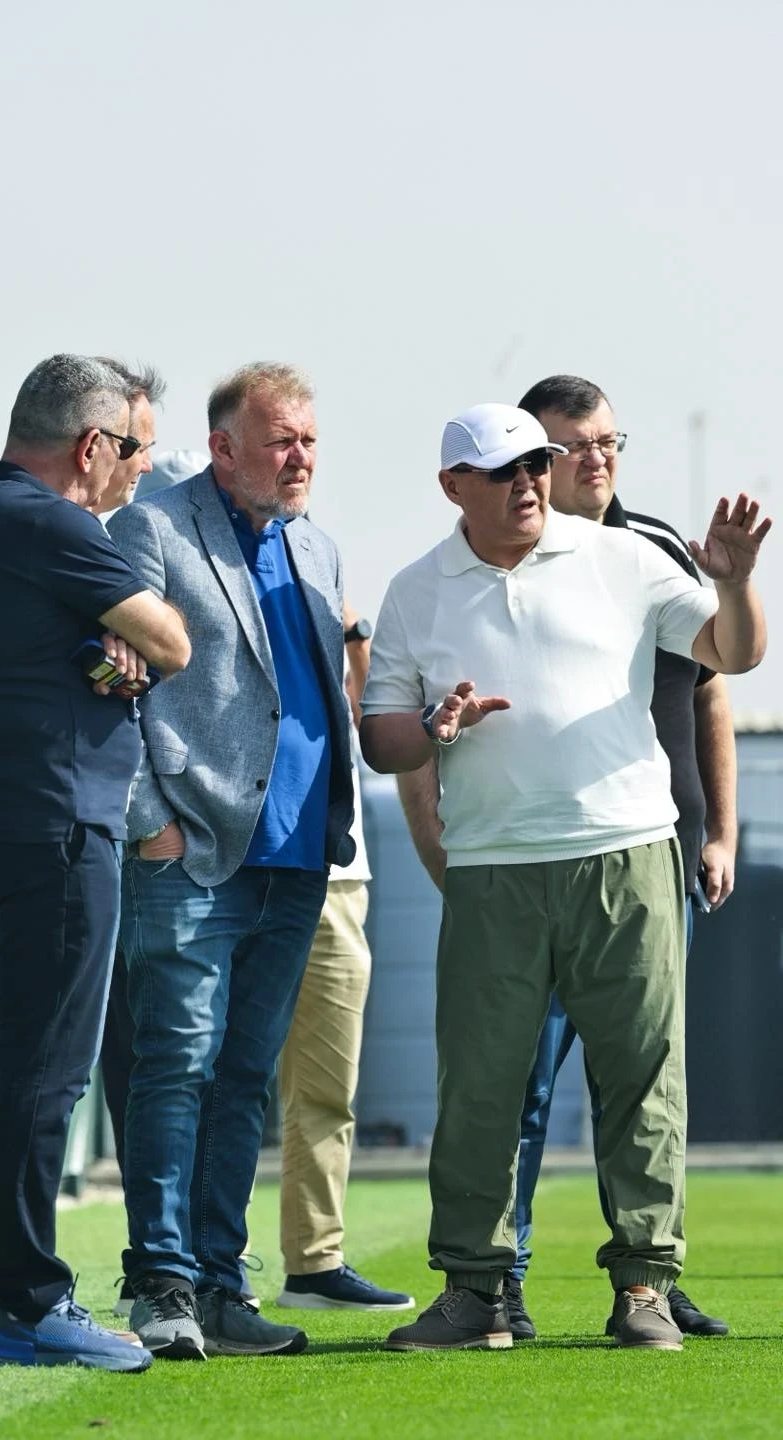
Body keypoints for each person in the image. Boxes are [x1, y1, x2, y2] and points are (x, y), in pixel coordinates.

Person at [360, 401, 769, 1353]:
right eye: (504, 470)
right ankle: (476, 1293)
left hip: (628, 857)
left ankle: (645, 1287)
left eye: (537, 464)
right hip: (493, 871)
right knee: (481, 1088)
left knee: (643, 1080)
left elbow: (734, 653)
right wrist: (433, 728)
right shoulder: (416, 590)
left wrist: (737, 583)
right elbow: (381, 739)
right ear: (453, 486)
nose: (529, 482)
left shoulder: (624, 557)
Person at [0, 353, 190, 1371]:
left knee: (1, 1068)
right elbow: (173, 641)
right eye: (135, 450)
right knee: (46, 1074)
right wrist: (121, 630)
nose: (138, 471)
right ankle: (28, 1303)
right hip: (60, 824)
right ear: (91, 444)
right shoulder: (53, 525)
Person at [106, 362, 355, 1360]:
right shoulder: (151, 529)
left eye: (309, 440)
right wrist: (148, 822)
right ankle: (161, 1283)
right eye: (281, 440)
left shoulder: (319, 546)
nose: (301, 458)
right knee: (176, 1066)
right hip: (190, 849)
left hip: (298, 858)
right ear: (223, 448)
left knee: (244, 1076)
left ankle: (219, 1284)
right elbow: (108, 686)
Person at [275, 607, 414, 1313]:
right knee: (199, 1080)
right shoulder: (200, 565)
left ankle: (313, 1263)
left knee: (328, 1085)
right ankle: (181, 1267)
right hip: (230, 866)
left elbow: (374, 730)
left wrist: (354, 637)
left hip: (335, 875)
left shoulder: (326, 587)